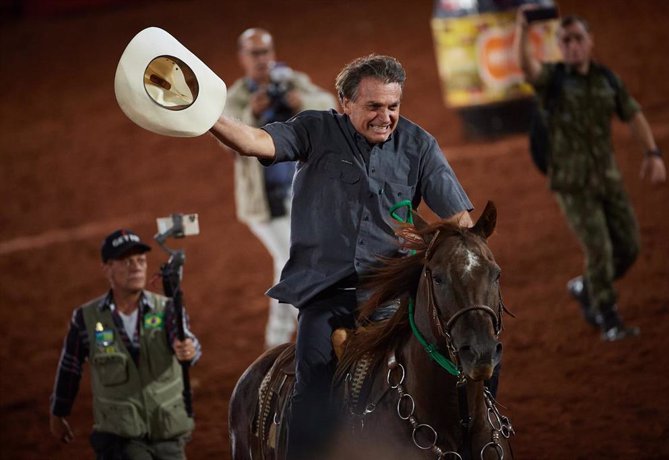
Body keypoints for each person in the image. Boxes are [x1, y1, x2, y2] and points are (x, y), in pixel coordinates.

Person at [211, 54, 474, 459]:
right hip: (327, 295)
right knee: (313, 391)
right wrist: (205, 115)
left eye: (393, 106)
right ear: (345, 102)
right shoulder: (314, 129)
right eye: (373, 106)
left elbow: (460, 223)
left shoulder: (419, 145)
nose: (385, 117)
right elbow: (253, 142)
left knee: (468, 362)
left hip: (393, 297)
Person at [515, 10, 667, 341]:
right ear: (559, 46)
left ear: (589, 41)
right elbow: (526, 66)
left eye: (578, 39)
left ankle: (586, 286)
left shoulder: (606, 80)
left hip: (608, 179)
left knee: (628, 248)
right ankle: (608, 317)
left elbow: (633, 113)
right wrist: (523, 29)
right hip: (572, 184)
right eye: (565, 41)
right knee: (599, 250)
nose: (572, 46)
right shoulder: (551, 81)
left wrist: (653, 153)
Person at [223, 28, 337, 349]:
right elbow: (226, 140)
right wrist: (252, 114)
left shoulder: (290, 81)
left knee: (300, 258)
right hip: (264, 204)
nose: (262, 59)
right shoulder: (237, 97)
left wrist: (302, 102)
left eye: (266, 52)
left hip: (301, 197)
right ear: (242, 58)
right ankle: (276, 342)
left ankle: (289, 338)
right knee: (289, 259)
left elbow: (328, 105)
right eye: (254, 53)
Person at [49, 229, 201, 459]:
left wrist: (189, 349)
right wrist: (58, 412)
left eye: (140, 260)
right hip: (120, 438)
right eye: (126, 261)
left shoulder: (167, 308)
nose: (136, 266)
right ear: (107, 267)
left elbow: (185, 339)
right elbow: (70, 367)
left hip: (167, 433)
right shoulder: (86, 318)